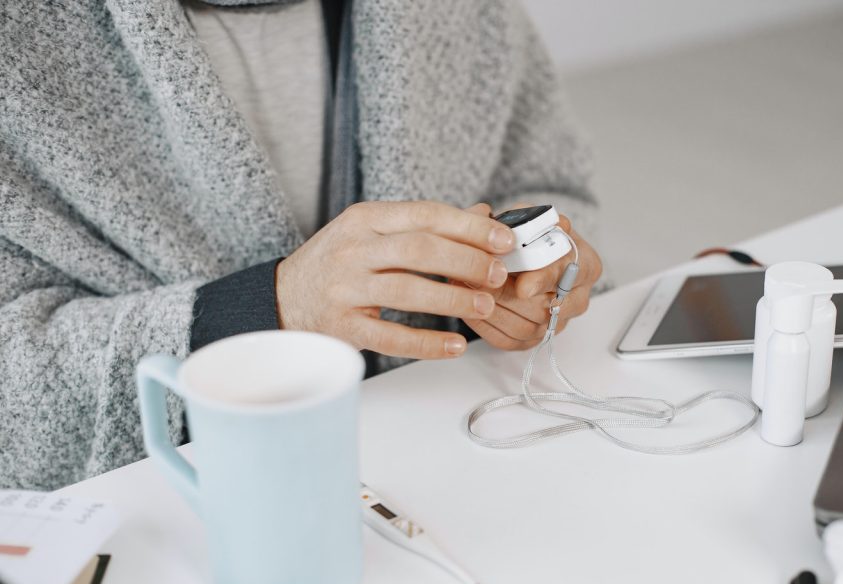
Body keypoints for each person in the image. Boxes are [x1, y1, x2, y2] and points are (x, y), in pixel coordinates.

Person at [0, 0, 603, 490]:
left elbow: (550, 184)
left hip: (465, 461)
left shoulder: (463, 14)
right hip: (184, 508)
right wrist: (271, 307)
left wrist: (522, 281)